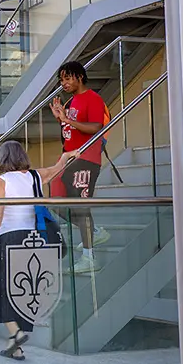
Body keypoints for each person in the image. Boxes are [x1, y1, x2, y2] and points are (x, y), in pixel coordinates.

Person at [0, 141, 80, 361]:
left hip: (10, 238)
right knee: (22, 288)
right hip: (34, 238)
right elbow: (57, 170)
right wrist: (66, 155)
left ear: (2, 158)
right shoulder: (35, 176)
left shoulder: (2, 181)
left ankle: (15, 333)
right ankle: (15, 346)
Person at [50, 61, 111, 274]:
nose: (63, 83)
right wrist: (61, 120)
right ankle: (94, 231)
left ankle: (89, 256)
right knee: (56, 202)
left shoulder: (93, 98)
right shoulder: (73, 101)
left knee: (81, 206)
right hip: (68, 158)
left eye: (67, 78)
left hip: (86, 158)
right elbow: (71, 131)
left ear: (80, 77)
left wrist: (68, 119)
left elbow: (95, 127)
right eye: (61, 79)